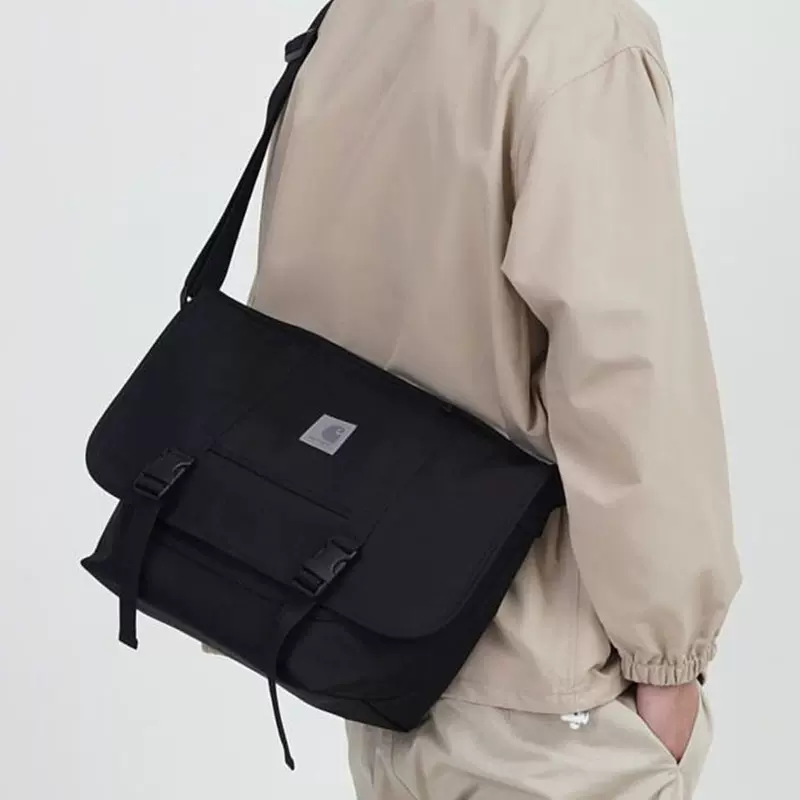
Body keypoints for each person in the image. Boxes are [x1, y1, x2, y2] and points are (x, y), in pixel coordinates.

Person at [248, 0, 742, 796]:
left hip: (374, 644)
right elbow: (629, 372)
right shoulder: (584, 37)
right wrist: (669, 661)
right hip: (541, 689)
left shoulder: (357, 17)